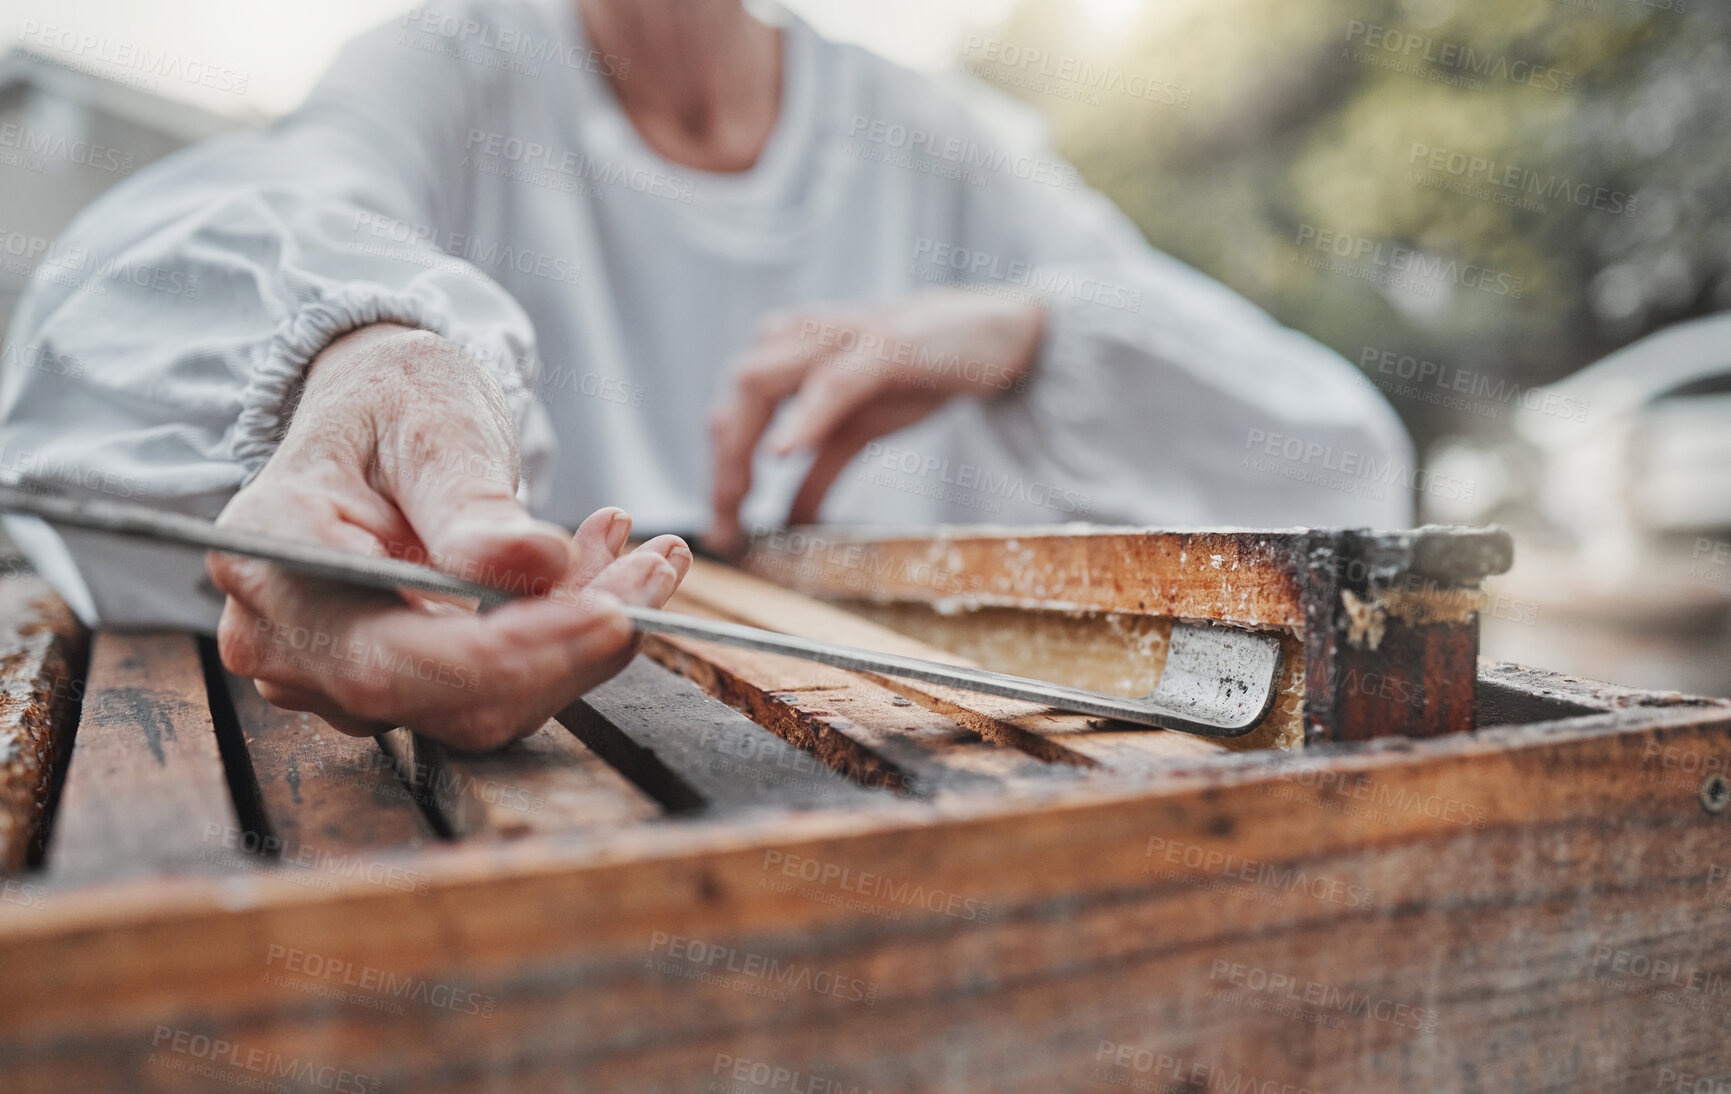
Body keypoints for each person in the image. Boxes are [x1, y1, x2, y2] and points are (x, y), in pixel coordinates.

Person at [0, 0, 1412, 749]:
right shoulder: (447, 70)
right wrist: (362, 355)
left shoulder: (945, 140)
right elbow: (162, 280)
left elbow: (1344, 454)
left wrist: (1036, 328)